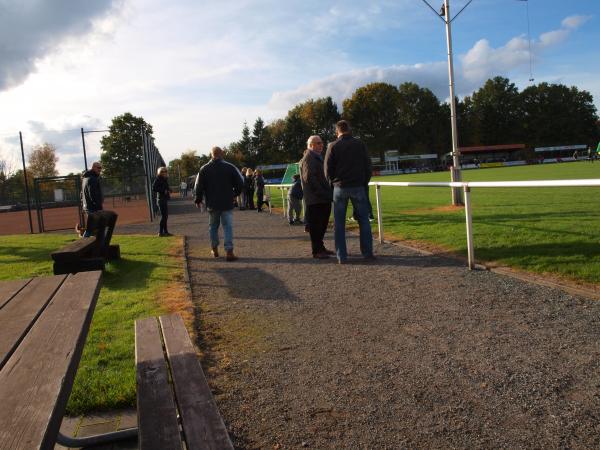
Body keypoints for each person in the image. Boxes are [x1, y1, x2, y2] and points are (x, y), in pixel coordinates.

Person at [324, 120, 374, 264]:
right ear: (349, 129)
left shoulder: (332, 146)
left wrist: (333, 185)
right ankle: (367, 253)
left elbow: (327, 170)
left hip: (339, 188)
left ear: (337, 131)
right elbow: (368, 166)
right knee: (364, 221)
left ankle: (342, 256)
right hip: (358, 187)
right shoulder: (360, 144)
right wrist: (363, 183)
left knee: (339, 224)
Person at [194, 146, 244, 261]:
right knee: (228, 227)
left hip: (212, 203)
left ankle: (215, 249)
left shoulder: (204, 169)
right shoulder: (230, 167)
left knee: (213, 227)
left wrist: (198, 199)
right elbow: (241, 183)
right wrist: (234, 194)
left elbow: (198, 186)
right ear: (222, 153)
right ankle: (229, 252)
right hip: (227, 202)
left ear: (211, 154)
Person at [301, 135, 334, 259]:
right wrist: (322, 193)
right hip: (316, 199)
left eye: (321, 143)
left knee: (322, 225)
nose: (321, 145)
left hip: (320, 198)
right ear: (311, 145)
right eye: (318, 143)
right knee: (316, 226)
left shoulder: (316, 157)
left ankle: (321, 247)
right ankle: (317, 251)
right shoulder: (309, 158)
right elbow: (309, 178)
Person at [81, 161, 104, 238]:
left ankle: (84, 243)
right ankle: (102, 246)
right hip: (93, 208)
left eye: (101, 168)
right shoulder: (93, 179)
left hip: (88, 207)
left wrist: (83, 205)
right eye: (98, 168)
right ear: (93, 168)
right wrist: (99, 206)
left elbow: (81, 194)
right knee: (99, 229)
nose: (100, 170)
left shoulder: (85, 179)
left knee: (91, 229)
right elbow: (93, 195)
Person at [153, 167, 172, 236]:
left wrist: (169, 189)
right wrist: (163, 191)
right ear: (159, 172)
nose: (164, 173)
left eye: (165, 171)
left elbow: (165, 187)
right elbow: (154, 188)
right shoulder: (158, 179)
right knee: (164, 216)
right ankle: (160, 232)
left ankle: (165, 232)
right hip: (160, 199)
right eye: (162, 172)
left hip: (164, 199)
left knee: (165, 216)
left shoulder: (165, 179)